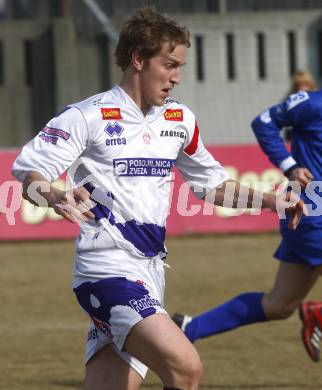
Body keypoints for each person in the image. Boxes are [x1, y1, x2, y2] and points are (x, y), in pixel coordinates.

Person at [12, 7, 304, 390]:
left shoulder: (179, 120)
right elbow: (28, 173)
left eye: (179, 67)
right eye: (169, 65)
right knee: (186, 368)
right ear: (138, 59)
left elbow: (211, 185)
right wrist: (53, 194)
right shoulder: (87, 115)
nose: (176, 78)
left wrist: (269, 201)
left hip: (150, 272)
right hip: (106, 271)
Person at [173, 88, 322, 363]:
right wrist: (290, 166)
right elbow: (263, 122)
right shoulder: (313, 103)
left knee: (280, 305)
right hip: (312, 214)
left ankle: (190, 328)